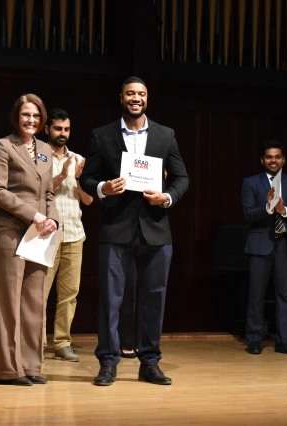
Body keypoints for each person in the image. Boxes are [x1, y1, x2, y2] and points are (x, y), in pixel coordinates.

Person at [80, 76, 189, 386]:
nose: (136, 98)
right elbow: (87, 179)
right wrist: (103, 187)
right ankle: (108, 362)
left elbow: (182, 178)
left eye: (141, 93)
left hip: (156, 229)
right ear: (121, 98)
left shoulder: (166, 135)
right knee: (110, 299)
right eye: (130, 93)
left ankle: (150, 362)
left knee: (154, 298)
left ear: (147, 98)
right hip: (115, 229)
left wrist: (166, 197)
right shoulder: (102, 136)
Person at [0, 94, 59, 386]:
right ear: (16, 117)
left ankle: (30, 366)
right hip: (9, 232)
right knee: (8, 303)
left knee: (34, 301)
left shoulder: (45, 149)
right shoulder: (3, 146)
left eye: (36, 115)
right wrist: (33, 215)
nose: (31, 120)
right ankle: (8, 369)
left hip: (40, 235)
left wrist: (52, 218)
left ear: (42, 120)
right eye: (25, 115)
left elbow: (50, 192)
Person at [241, 140, 287, 355]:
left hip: (285, 245)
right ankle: (254, 340)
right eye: (269, 157)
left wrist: (284, 209)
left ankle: (283, 341)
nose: (273, 160)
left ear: (283, 160)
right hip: (260, 245)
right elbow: (248, 214)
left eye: (277, 157)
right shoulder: (250, 182)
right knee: (256, 294)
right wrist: (269, 209)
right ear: (262, 160)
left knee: (284, 295)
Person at [42, 108, 92, 362]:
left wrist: (80, 179)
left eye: (66, 129)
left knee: (70, 293)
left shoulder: (79, 158)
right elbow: (39, 191)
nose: (62, 134)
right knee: (40, 292)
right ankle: (35, 343)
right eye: (58, 129)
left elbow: (89, 200)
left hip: (74, 233)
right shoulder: (39, 156)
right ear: (47, 129)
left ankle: (62, 343)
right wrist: (63, 175)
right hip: (46, 235)